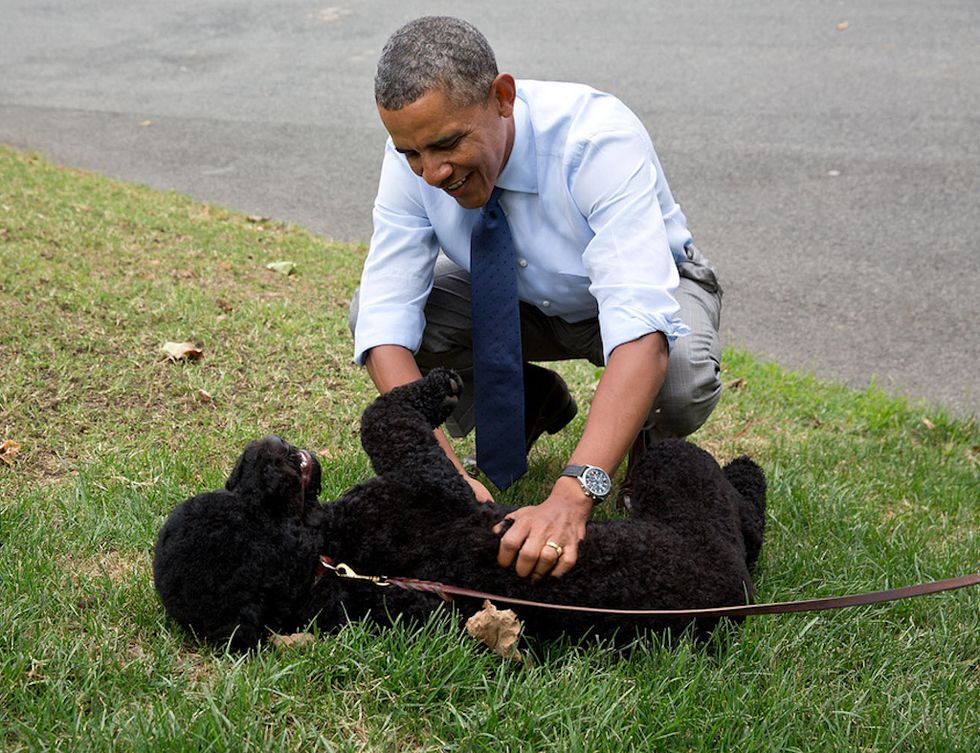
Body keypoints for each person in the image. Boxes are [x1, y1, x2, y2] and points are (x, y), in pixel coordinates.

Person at [349, 16, 722, 583]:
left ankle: (639, 451)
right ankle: (525, 399)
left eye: (448, 144)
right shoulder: (416, 152)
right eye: (412, 154)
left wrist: (574, 495)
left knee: (681, 378)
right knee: (380, 319)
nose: (432, 172)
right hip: (514, 301)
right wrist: (442, 478)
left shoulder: (597, 139)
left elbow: (642, 330)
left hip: (632, 298)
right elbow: (384, 320)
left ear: (502, 97)